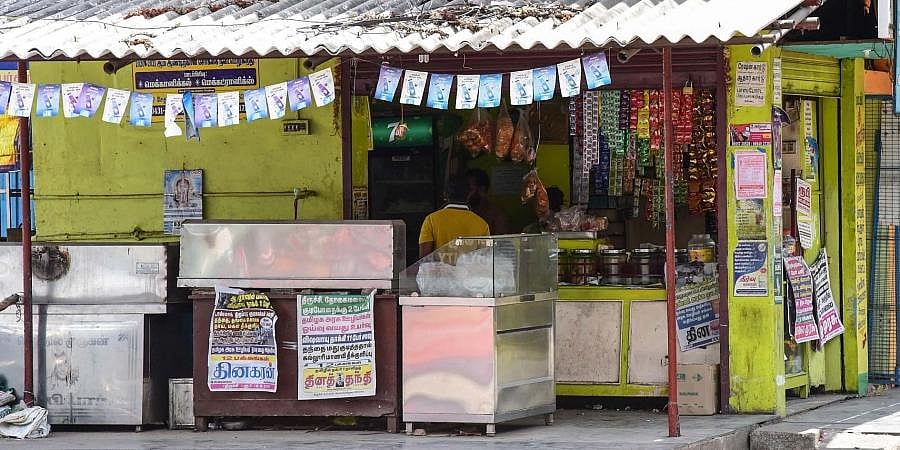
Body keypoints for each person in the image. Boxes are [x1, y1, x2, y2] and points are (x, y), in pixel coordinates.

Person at [419, 178, 490, 258]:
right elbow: (485, 258)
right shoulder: (482, 224)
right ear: (469, 195)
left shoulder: (431, 220)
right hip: (469, 267)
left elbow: (424, 259)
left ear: (445, 194)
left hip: (440, 267)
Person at [466, 168, 511, 235]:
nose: (466, 193)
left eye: (470, 189)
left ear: (482, 190)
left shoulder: (498, 216)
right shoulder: (463, 212)